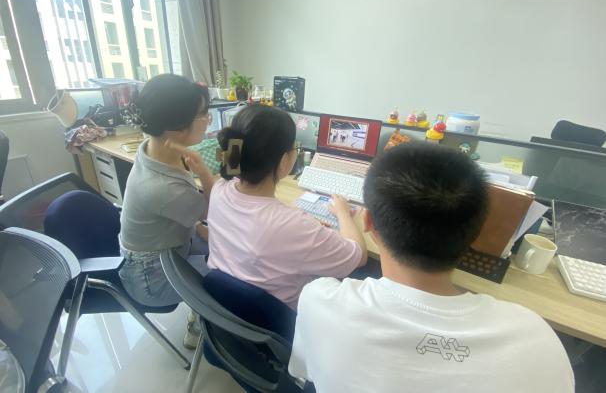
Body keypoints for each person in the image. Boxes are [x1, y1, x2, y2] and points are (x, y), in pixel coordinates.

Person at [289, 143, 574, 392]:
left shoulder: (319, 300)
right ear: (475, 233)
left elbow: (303, 372)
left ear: (368, 222)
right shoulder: (537, 341)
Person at [206, 104, 367, 310]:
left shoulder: (219, 188)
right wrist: (343, 213)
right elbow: (358, 257)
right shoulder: (292, 225)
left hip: (224, 306)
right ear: (284, 161)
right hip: (275, 320)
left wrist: (296, 222)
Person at [118, 74, 215, 345]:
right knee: (233, 274)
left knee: (223, 244)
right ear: (176, 130)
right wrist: (205, 174)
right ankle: (199, 327)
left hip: (166, 246)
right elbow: (213, 211)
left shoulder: (154, 147)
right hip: (151, 279)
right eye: (203, 114)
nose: (208, 119)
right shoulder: (162, 188)